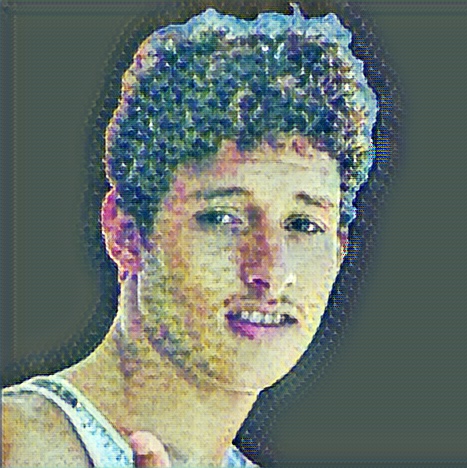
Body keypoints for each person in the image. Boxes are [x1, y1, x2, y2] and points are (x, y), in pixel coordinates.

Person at [2, 6, 377, 467]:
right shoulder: (17, 443)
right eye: (222, 218)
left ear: (338, 251)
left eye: (303, 225)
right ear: (127, 234)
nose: (270, 271)